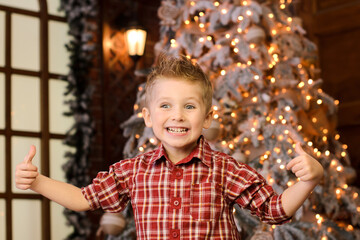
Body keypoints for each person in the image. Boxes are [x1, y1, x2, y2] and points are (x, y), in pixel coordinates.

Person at [15, 55, 324, 239]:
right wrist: (39, 182)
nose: (177, 115)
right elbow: (84, 199)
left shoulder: (226, 169)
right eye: (165, 105)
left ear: (206, 118)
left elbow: (274, 211)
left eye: (189, 106)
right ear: (148, 117)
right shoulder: (133, 171)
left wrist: (309, 180)